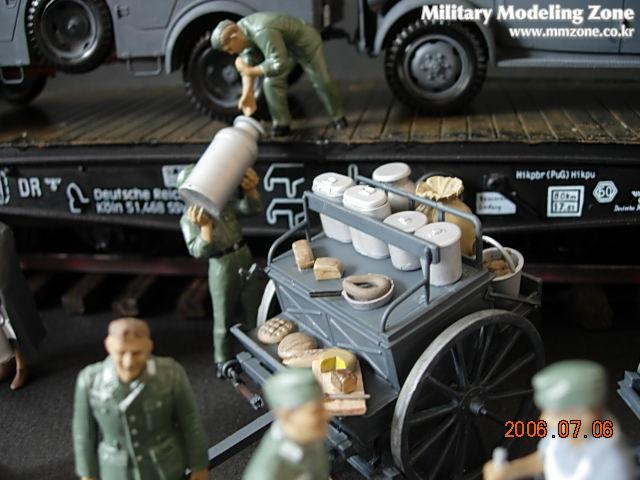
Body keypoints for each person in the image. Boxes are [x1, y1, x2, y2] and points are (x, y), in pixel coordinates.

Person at [72, 318, 209, 480]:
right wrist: (88, 473)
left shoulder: (171, 374)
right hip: (116, 472)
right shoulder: (90, 381)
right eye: (121, 352)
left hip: (164, 468)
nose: (128, 362)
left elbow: (190, 422)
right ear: (109, 346)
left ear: (149, 347)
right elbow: (83, 434)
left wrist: (199, 465)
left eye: (137, 353)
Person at [483, 360, 636, 480]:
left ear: (585, 417)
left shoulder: (612, 469)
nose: (544, 419)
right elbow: (547, 457)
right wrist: (510, 471)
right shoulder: (566, 430)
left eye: (555, 414)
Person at [177, 165, 262, 374]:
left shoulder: (224, 205)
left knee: (253, 308)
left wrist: (251, 190)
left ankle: (259, 352)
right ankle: (223, 359)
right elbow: (198, 251)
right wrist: (205, 228)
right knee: (223, 315)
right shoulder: (188, 220)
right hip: (221, 264)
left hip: (243, 254)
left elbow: (252, 209)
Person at [210, 13, 347, 136]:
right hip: (284, 47)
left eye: (229, 48)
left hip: (305, 42)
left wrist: (251, 71)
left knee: (321, 79)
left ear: (234, 37)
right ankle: (281, 123)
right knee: (271, 83)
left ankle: (338, 116)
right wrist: (248, 94)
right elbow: (248, 65)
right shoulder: (241, 32)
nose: (231, 53)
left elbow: (278, 64)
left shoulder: (261, 31)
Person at [243, 368, 331, 480]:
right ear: (286, 416)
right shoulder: (268, 472)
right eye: (315, 411)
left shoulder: (310, 437)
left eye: (322, 407)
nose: (327, 416)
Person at [0, 221, 45, 390]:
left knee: (11, 325)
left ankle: (22, 364)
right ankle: (4, 362)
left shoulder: (2, 233)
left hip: (4, 293)